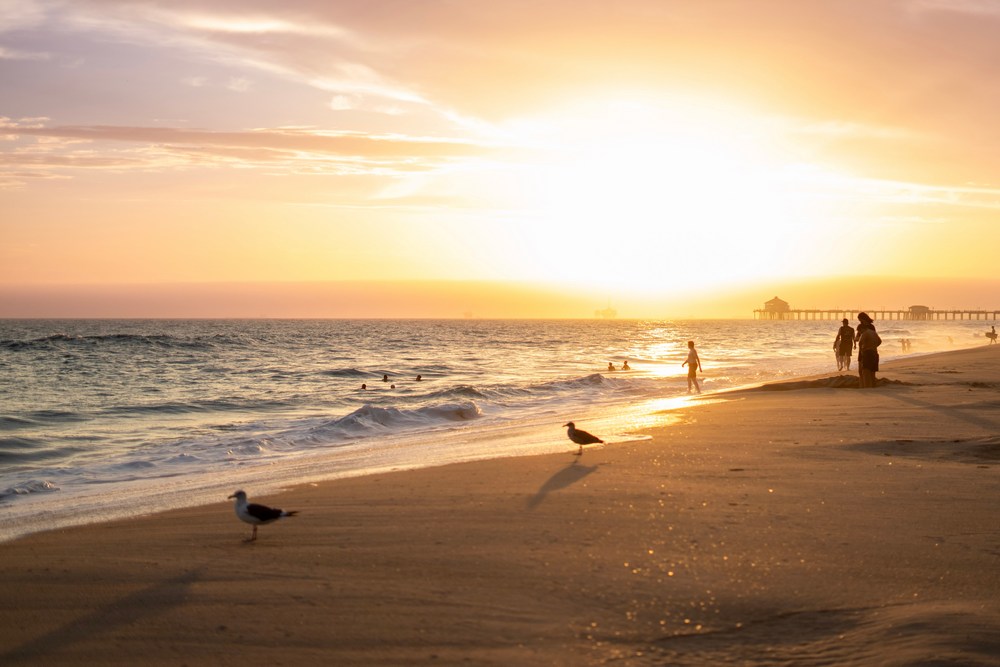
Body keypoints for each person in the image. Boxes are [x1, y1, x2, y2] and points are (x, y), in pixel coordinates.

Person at [855, 312, 882, 388]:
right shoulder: (871, 327)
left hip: (864, 351)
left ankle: (864, 386)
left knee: (863, 370)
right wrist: (873, 346)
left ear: (863, 318)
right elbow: (877, 339)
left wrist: (866, 347)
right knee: (871, 370)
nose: (860, 321)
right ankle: (870, 385)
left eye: (860, 319)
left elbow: (859, 340)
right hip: (872, 351)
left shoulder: (866, 328)